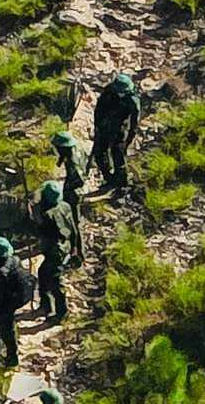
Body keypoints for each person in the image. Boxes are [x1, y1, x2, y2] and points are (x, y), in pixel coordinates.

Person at [0, 236, 33, 366]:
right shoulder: (15, 259)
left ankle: (11, 357)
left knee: (5, 325)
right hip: (24, 291)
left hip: (13, 298)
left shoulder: (1, 273)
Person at [35, 181, 76, 323]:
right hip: (65, 246)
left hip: (55, 251)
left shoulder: (47, 215)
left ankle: (60, 312)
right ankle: (47, 306)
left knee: (55, 281)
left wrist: (33, 218)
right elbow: (73, 228)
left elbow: (40, 232)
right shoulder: (65, 206)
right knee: (44, 274)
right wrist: (75, 248)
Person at [92, 73, 140, 189]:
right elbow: (99, 109)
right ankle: (108, 178)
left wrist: (129, 140)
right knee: (99, 154)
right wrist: (97, 126)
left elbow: (134, 123)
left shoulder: (132, 100)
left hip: (120, 130)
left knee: (119, 155)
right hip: (104, 127)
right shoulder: (109, 91)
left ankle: (121, 183)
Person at [51, 131, 87, 262]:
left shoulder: (72, 162)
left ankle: (78, 252)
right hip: (73, 192)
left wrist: (66, 188)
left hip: (73, 194)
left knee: (73, 224)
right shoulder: (73, 151)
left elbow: (80, 180)